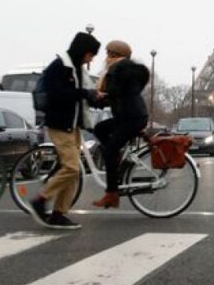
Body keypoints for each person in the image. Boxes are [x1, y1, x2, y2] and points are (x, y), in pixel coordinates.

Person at [27, 32, 101, 230]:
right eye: (90, 54)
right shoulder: (59, 66)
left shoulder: (75, 68)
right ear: (82, 51)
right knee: (72, 168)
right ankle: (41, 200)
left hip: (73, 124)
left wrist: (94, 96)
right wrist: (85, 93)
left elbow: (75, 94)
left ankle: (59, 213)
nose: (91, 59)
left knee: (73, 172)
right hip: (60, 124)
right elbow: (58, 94)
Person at [91, 40, 150, 209]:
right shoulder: (128, 69)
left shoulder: (118, 69)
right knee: (100, 129)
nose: (106, 57)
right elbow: (120, 95)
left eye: (108, 54)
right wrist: (101, 100)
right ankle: (116, 157)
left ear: (114, 55)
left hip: (130, 118)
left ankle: (112, 194)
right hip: (131, 116)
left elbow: (113, 92)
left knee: (109, 150)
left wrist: (97, 97)